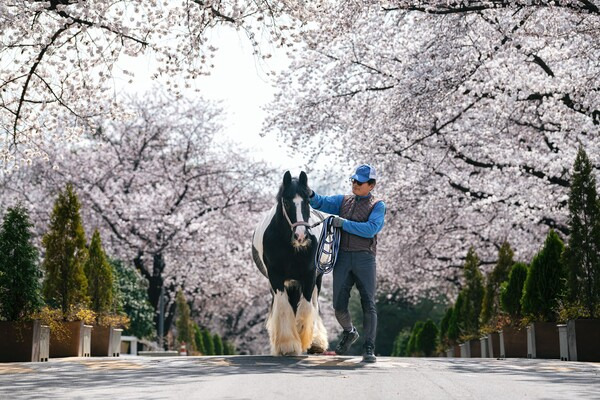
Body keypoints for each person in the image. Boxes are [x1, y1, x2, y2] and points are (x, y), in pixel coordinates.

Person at [308, 164, 385, 363]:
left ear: (371, 185)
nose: (355, 184)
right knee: (338, 305)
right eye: (353, 180)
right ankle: (349, 331)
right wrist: (309, 193)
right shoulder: (343, 201)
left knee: (368, 302)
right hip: (342, 257)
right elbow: (321, 203)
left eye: (359, 182)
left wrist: (343, 224)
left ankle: (369, 346)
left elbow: (370, 229)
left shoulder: (378, 205)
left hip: (364, 258)